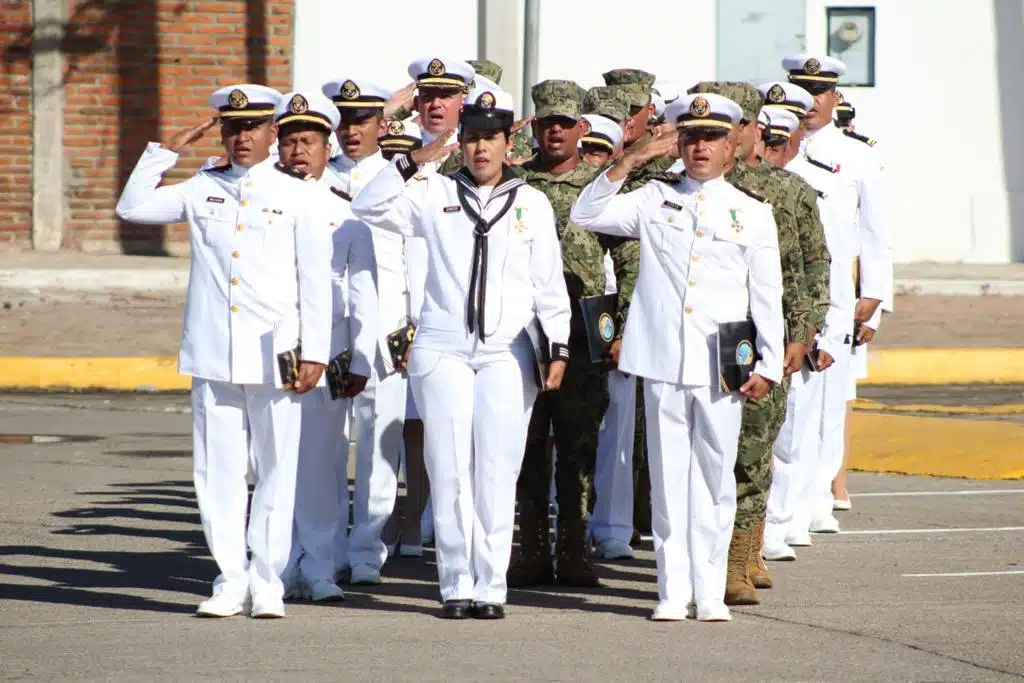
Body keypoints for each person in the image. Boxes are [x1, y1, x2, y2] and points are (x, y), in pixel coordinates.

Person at [352, 80, 572, 620]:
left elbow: (548, 283)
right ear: (461, 141)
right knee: (447, 464)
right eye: (471, 138)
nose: (480, 149)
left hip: (508, 349)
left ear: (508, 145)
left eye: (490, 140)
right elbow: (368, 205)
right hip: (443, 345)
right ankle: (456, 583)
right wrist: (412, 162)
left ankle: (491, 584)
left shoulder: (533, 203)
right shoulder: (434, 194)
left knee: (497, 468)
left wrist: (559, 346)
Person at [115, 84, 332, 618]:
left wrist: (316, 352)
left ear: (271, 133)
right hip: (213, 351)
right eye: (232, 128)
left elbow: (315, 282)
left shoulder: (299, 195)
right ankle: (230, 578)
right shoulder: (201, 187)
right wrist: (167, 150)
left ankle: (268, 580)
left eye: (252, 128)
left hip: (276, 352)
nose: (241, 138)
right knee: (217, 472)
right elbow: (133, 206)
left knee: (277, 468)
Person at [571, 92, 784, 622]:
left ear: (732, 143)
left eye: (711, 137)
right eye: (690, 137)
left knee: (714, 476)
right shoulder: (653, 199)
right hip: (664, 356)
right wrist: (635, 157)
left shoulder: (752, 212)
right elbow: (586, 210)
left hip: (723, 361)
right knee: (669, 479)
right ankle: (672, 588)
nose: (699, 148)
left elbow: (766, 294)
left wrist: (771, 363)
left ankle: (710, 590)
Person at [687, 81, 829, 605]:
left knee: (754, 448)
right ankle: (709, 558)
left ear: (749, 130)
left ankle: (741, 556)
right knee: (707, 451)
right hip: (708, 335)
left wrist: (804, 331)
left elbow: (814, 264)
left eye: (737, 125)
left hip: (765, 337)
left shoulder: (787, 191)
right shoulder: (681, 186)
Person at [510, 79, 633, 587]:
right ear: (534, 129)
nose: (556, 132)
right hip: (525, 332)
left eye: (565, 124)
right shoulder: (514, 182)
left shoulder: (599, 184)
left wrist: (622, 326)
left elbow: (630, 256)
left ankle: (574, 547)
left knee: (579, 447)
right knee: (527, 444)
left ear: (583, 129)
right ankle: (533, 548)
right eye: (546, 124)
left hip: (584, 334)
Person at [275, 90, 377, 602]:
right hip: (271, 349)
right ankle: (273, 564)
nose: (299, 151)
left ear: (326, 147)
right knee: (270, 463)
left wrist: (359, 356)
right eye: (291, 140)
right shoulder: (261, 199)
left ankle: (318, 567)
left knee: (318, 463)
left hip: (327, 351)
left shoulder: (345, 208)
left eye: (309, 142)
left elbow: (362, 287)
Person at [783, 54, 892, 534]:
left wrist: (875, 296)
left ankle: (816, 501)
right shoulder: (773, 147)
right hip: (784, 290)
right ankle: (782, 506)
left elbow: (875, 232)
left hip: (835, 294)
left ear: (834, 99)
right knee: (787, 406)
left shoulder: (858, 155)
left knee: (827, 401)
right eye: (801, 92)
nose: (810, 103)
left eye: (819, 94)